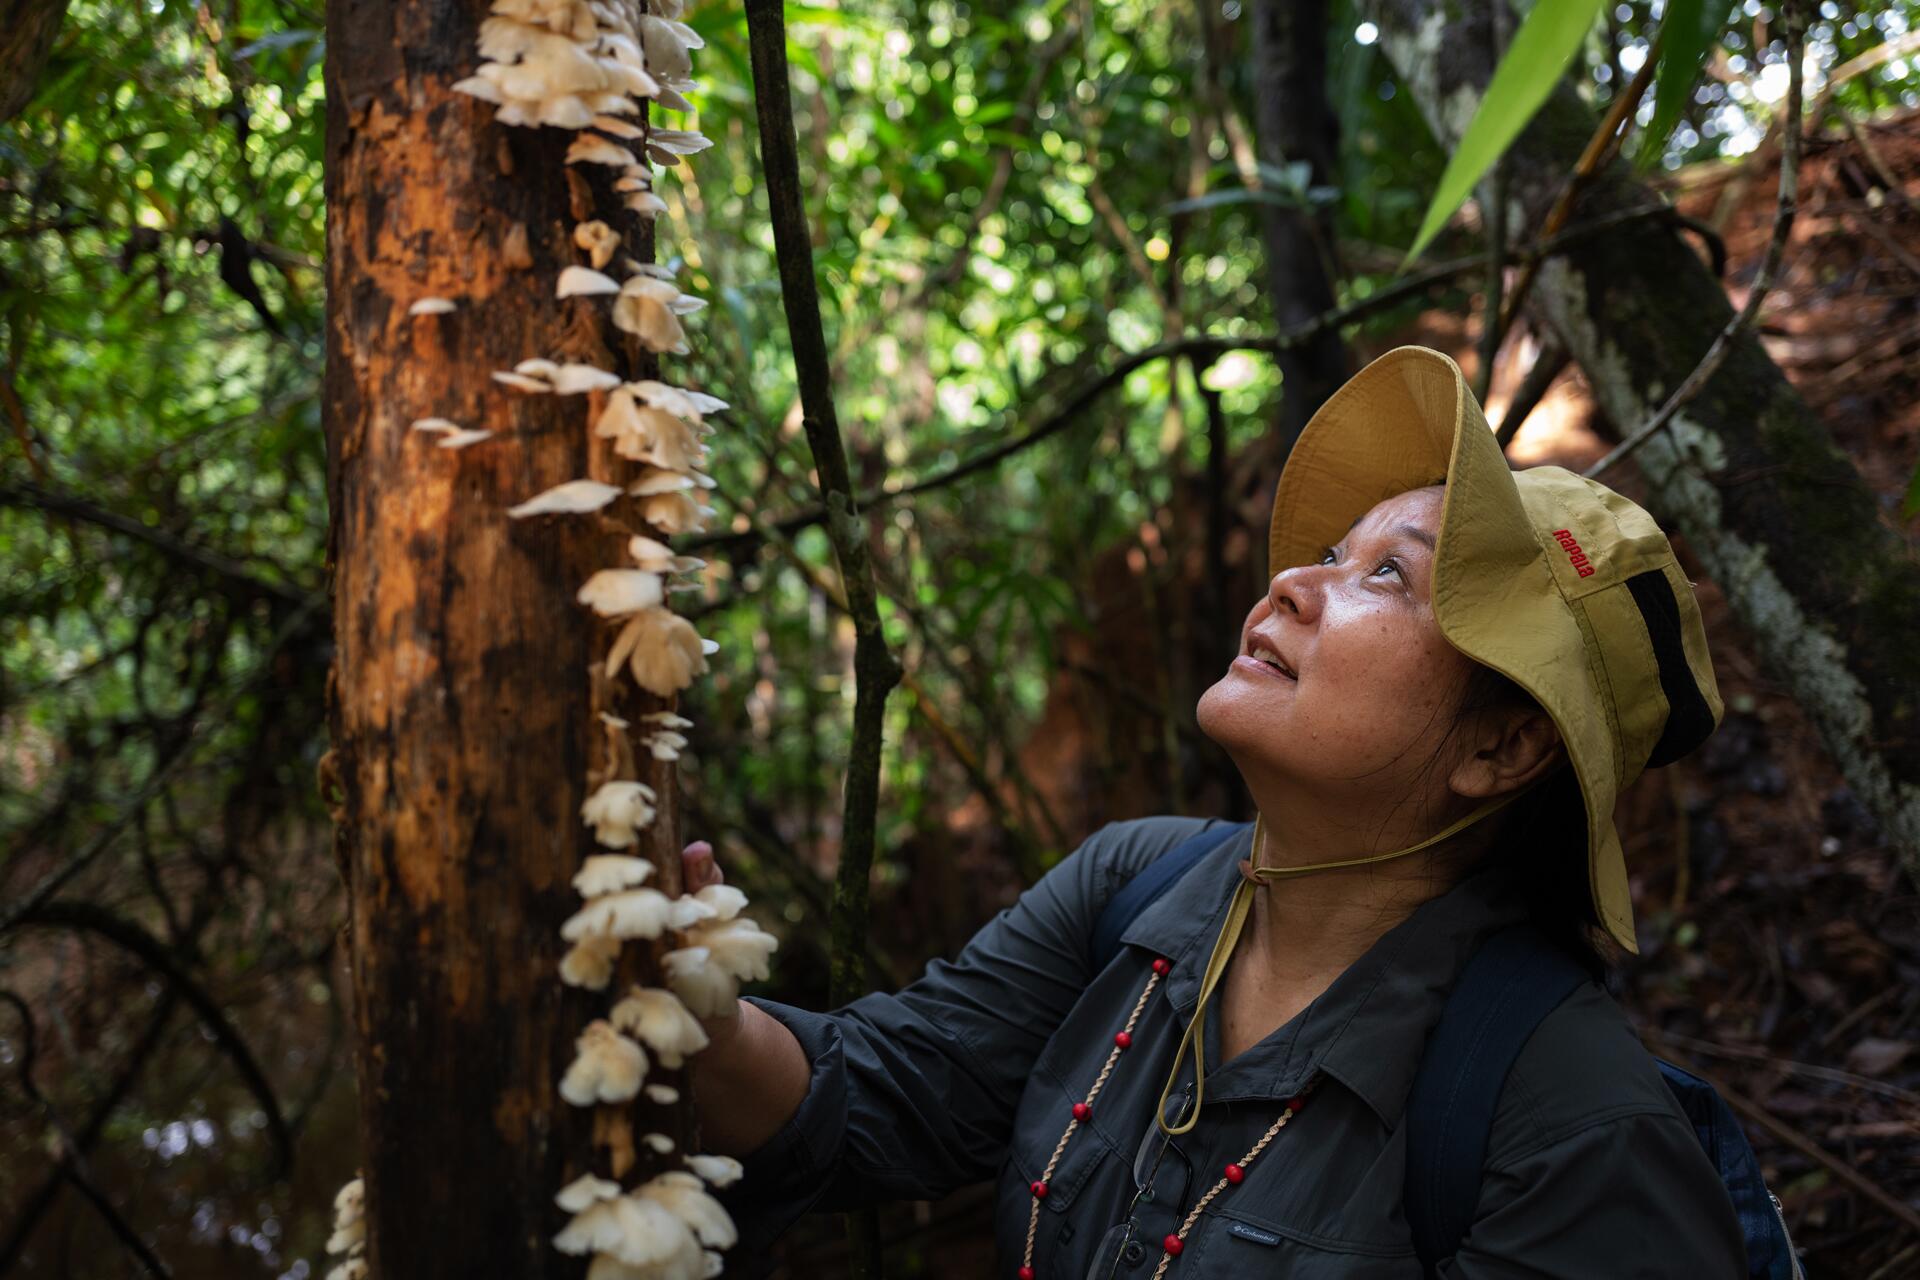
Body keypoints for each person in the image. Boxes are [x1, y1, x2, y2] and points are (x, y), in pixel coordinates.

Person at [684, 347, 1749, 1277]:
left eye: (1389, 575)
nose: (1290, 582)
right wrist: (694, 1002)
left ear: (1502, 748)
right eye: (1331, 552)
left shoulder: (1572, 1129)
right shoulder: (1133, 884)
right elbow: (885, 1093)